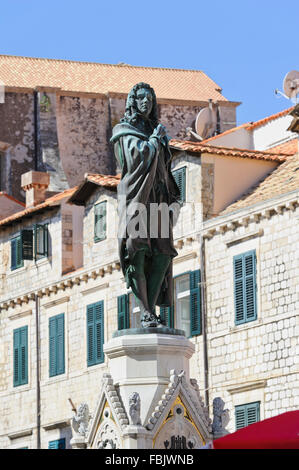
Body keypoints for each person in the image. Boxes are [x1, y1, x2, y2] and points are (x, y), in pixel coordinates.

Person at [111, 82, 180, 327]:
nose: (146, 103)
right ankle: (146, 311)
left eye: (150, 99)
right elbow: (136, 157)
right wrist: (154, 140)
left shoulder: (156, 129)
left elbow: (164, 164)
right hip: (136, 198)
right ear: (133, 102)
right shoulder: (124, 130)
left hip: (158, 198)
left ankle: (150, 308)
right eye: (141, 98)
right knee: (137, 252)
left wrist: (161, 143)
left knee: (163, 254)